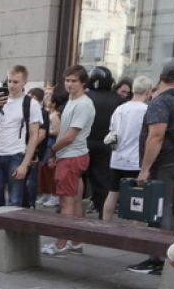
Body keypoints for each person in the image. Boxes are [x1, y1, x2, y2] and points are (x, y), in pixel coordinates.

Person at [126, 60, 174, 274]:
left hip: (165, 163)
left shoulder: (161, 102)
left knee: (162, 210)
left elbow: (156, 136)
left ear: (160, 78)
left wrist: (145, 168)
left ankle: (161, 261)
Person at [43, 65, 96, 256]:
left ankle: (60, 244)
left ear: (83, 82)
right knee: (73, 202)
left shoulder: (83, 104)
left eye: (74, 80)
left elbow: (70, 136)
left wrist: (52, 150)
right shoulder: (73, 100)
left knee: (66, 202)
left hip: (71, 156)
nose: (69, 84)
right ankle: (75, 241)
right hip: (73, 155)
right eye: (67, 80)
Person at [0, 66, 42, 209]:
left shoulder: (30, 103)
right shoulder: (1, 101)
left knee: (15, 201)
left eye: (15, 82)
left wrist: (24, 165)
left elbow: (34, 136)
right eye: (9, 81)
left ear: (24, 83)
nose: (12, 85)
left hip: (16, 154)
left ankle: (11, 231)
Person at [102, 76, 152, 223]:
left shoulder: (120, 109)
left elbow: (112, 130)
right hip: (136, 159)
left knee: (112, 193)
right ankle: (137, 230)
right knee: (139, 197)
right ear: (148, 92)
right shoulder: (147, 110)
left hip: (117, 157)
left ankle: (105, 224)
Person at [84, 65, 124, 217]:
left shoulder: (85, 98)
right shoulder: (118, 100)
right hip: (107, 145)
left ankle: (72, 214)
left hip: (85, 142)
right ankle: (103, 214)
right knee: (103, 181)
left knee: (78, 182)